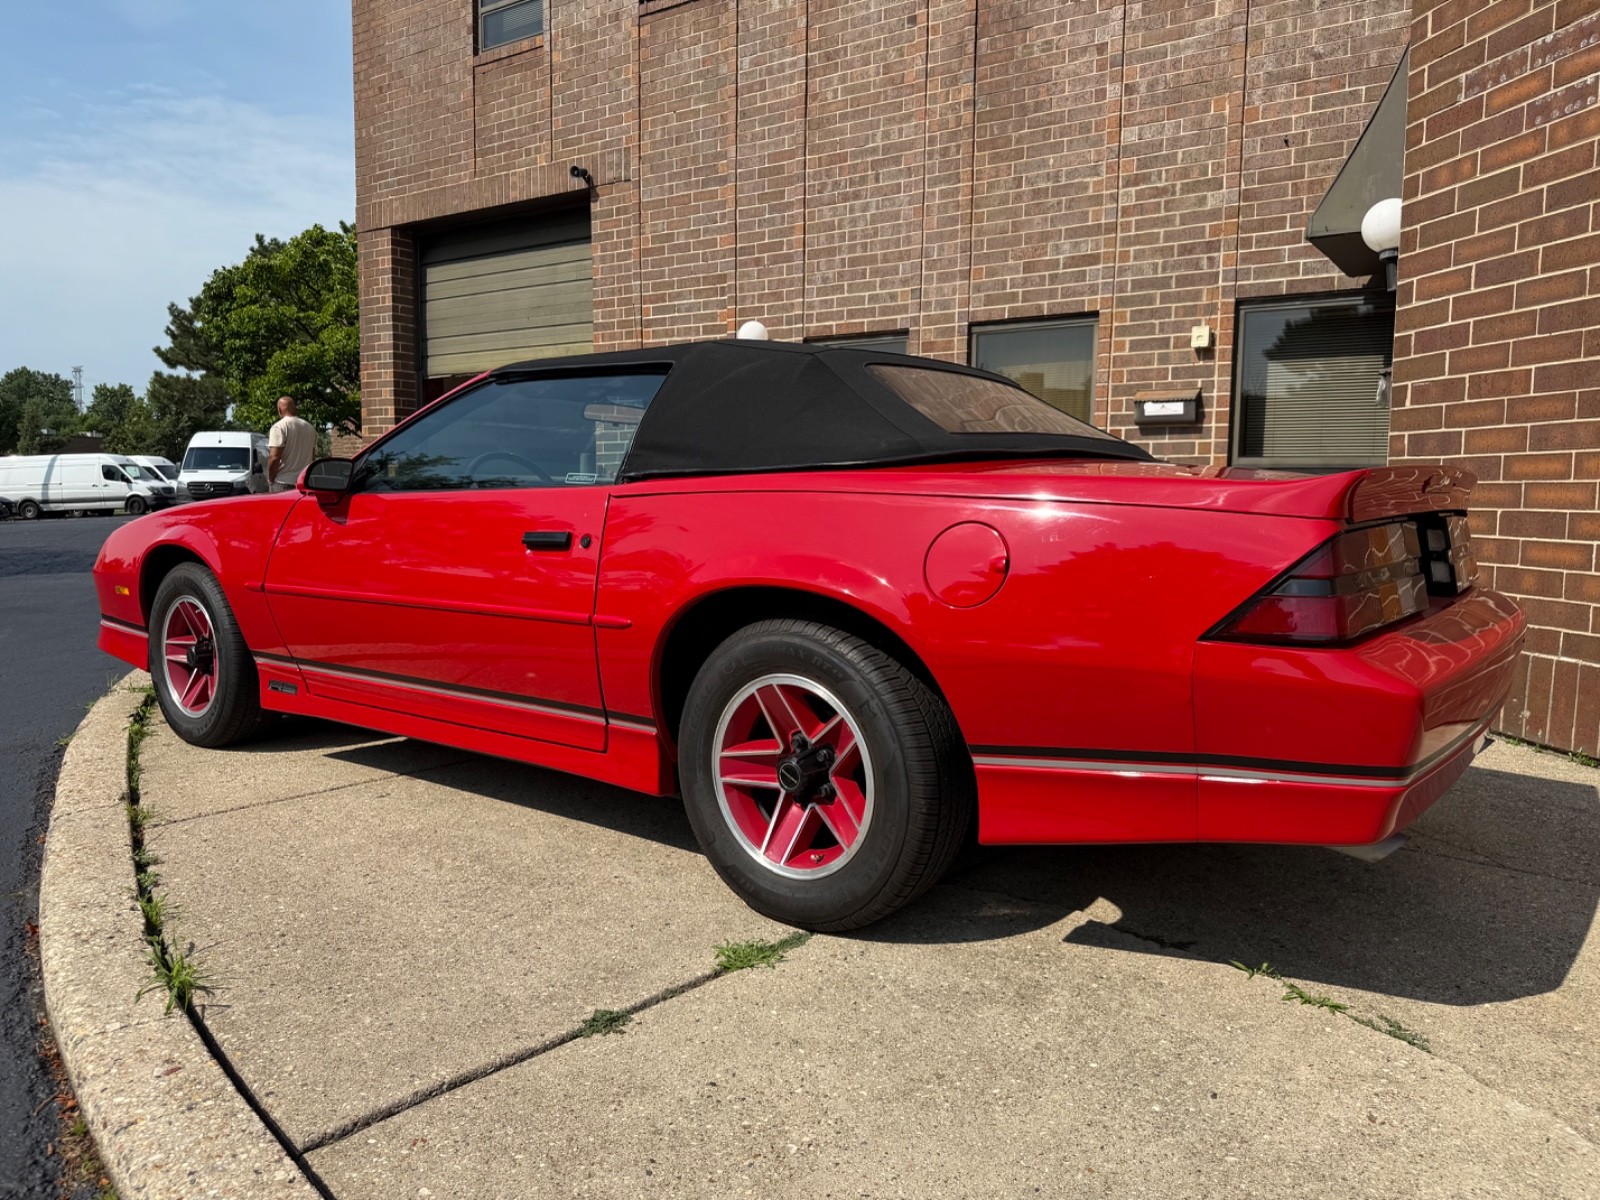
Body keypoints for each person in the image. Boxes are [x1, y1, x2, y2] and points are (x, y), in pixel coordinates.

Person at [266, 396, 316, 492]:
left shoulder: (279, 427)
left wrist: (270, 478)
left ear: (279, 410)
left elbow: (274, 457)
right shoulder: (310, 428)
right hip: (304, 483)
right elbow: (312, 455)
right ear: (294, 408)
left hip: (283, 482)